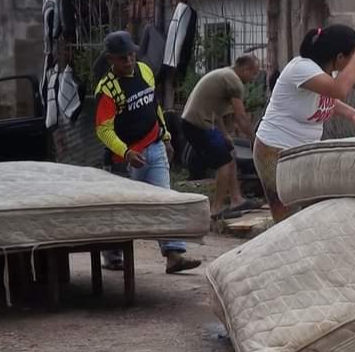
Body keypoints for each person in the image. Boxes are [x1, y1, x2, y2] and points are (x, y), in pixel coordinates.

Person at [94, 30, 201, 275]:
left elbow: (154, 107)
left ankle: (173, 254)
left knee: (164, 200)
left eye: (132, 55)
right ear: (111, 59)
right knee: (121, 210)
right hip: (124, 160)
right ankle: (112, 255)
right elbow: (103, 130)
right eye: (123, 58)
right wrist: (126, 151)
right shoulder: (107, 89)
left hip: (154, 147)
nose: (130, 61)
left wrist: (165, 137)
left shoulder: (144, 71)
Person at [254, 24, 355, 221]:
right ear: (340, 57)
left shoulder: (324, 72)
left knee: (310, 216)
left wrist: (353, 114)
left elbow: (326, 100)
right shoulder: (302, 68)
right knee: (287, 221)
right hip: (274, 151)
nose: (352, 64)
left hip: (302, 152)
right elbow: (339, 90)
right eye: (350, 58)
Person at [181, 54, 264, 219]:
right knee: (224, 163)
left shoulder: (225, 74)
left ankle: (236, 200)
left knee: (230, 153)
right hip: (197, 124)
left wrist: (225, 134)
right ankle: (216, 210)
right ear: (245, 69)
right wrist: (254, 140)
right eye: (254, 74)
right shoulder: (234, 81)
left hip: (196, 122)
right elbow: (241, 117)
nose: (254, 79)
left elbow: (216, 110)